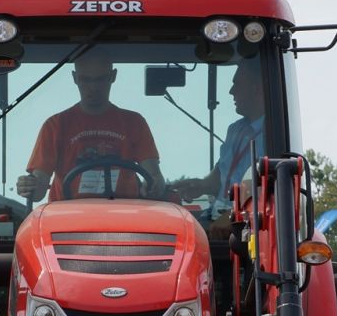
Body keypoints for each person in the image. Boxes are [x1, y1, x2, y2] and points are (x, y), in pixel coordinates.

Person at [16, 50, 164, 203]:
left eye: (100, 79)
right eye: (85, 80)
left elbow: (153, 175)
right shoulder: (56, 126)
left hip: (124, 214)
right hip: (67, 217)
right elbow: (39, 188)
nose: (93, 87)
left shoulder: (134, 123)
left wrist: (154, 185)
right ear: (75, 78)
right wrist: (30, 186)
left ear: (113, 76)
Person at [176, 57, 265, 214]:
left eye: (237, 84)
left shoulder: (274, 135)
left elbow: (266, 190)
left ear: (256, 88)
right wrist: (202, 185)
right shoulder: (235, 130)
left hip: (250, 225)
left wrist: (235, 216)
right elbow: (222, 174)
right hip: (218, 215)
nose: (231, 91)